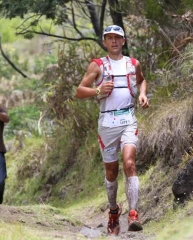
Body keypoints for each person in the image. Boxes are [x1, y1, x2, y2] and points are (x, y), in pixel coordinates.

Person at [75, 25, 149, 234]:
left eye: (118, 38)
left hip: (128, 119)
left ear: (123, 41)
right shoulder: (97, 66)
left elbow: (142, 81)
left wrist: (142, 95)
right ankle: (114, 211)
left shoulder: (133, 63)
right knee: (111, 171)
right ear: (105, 42)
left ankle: (134, 213)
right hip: (107, 123)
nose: (114, 41)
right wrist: (98, 90)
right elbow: (79, 91)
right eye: (110, 38)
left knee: (129, 163)